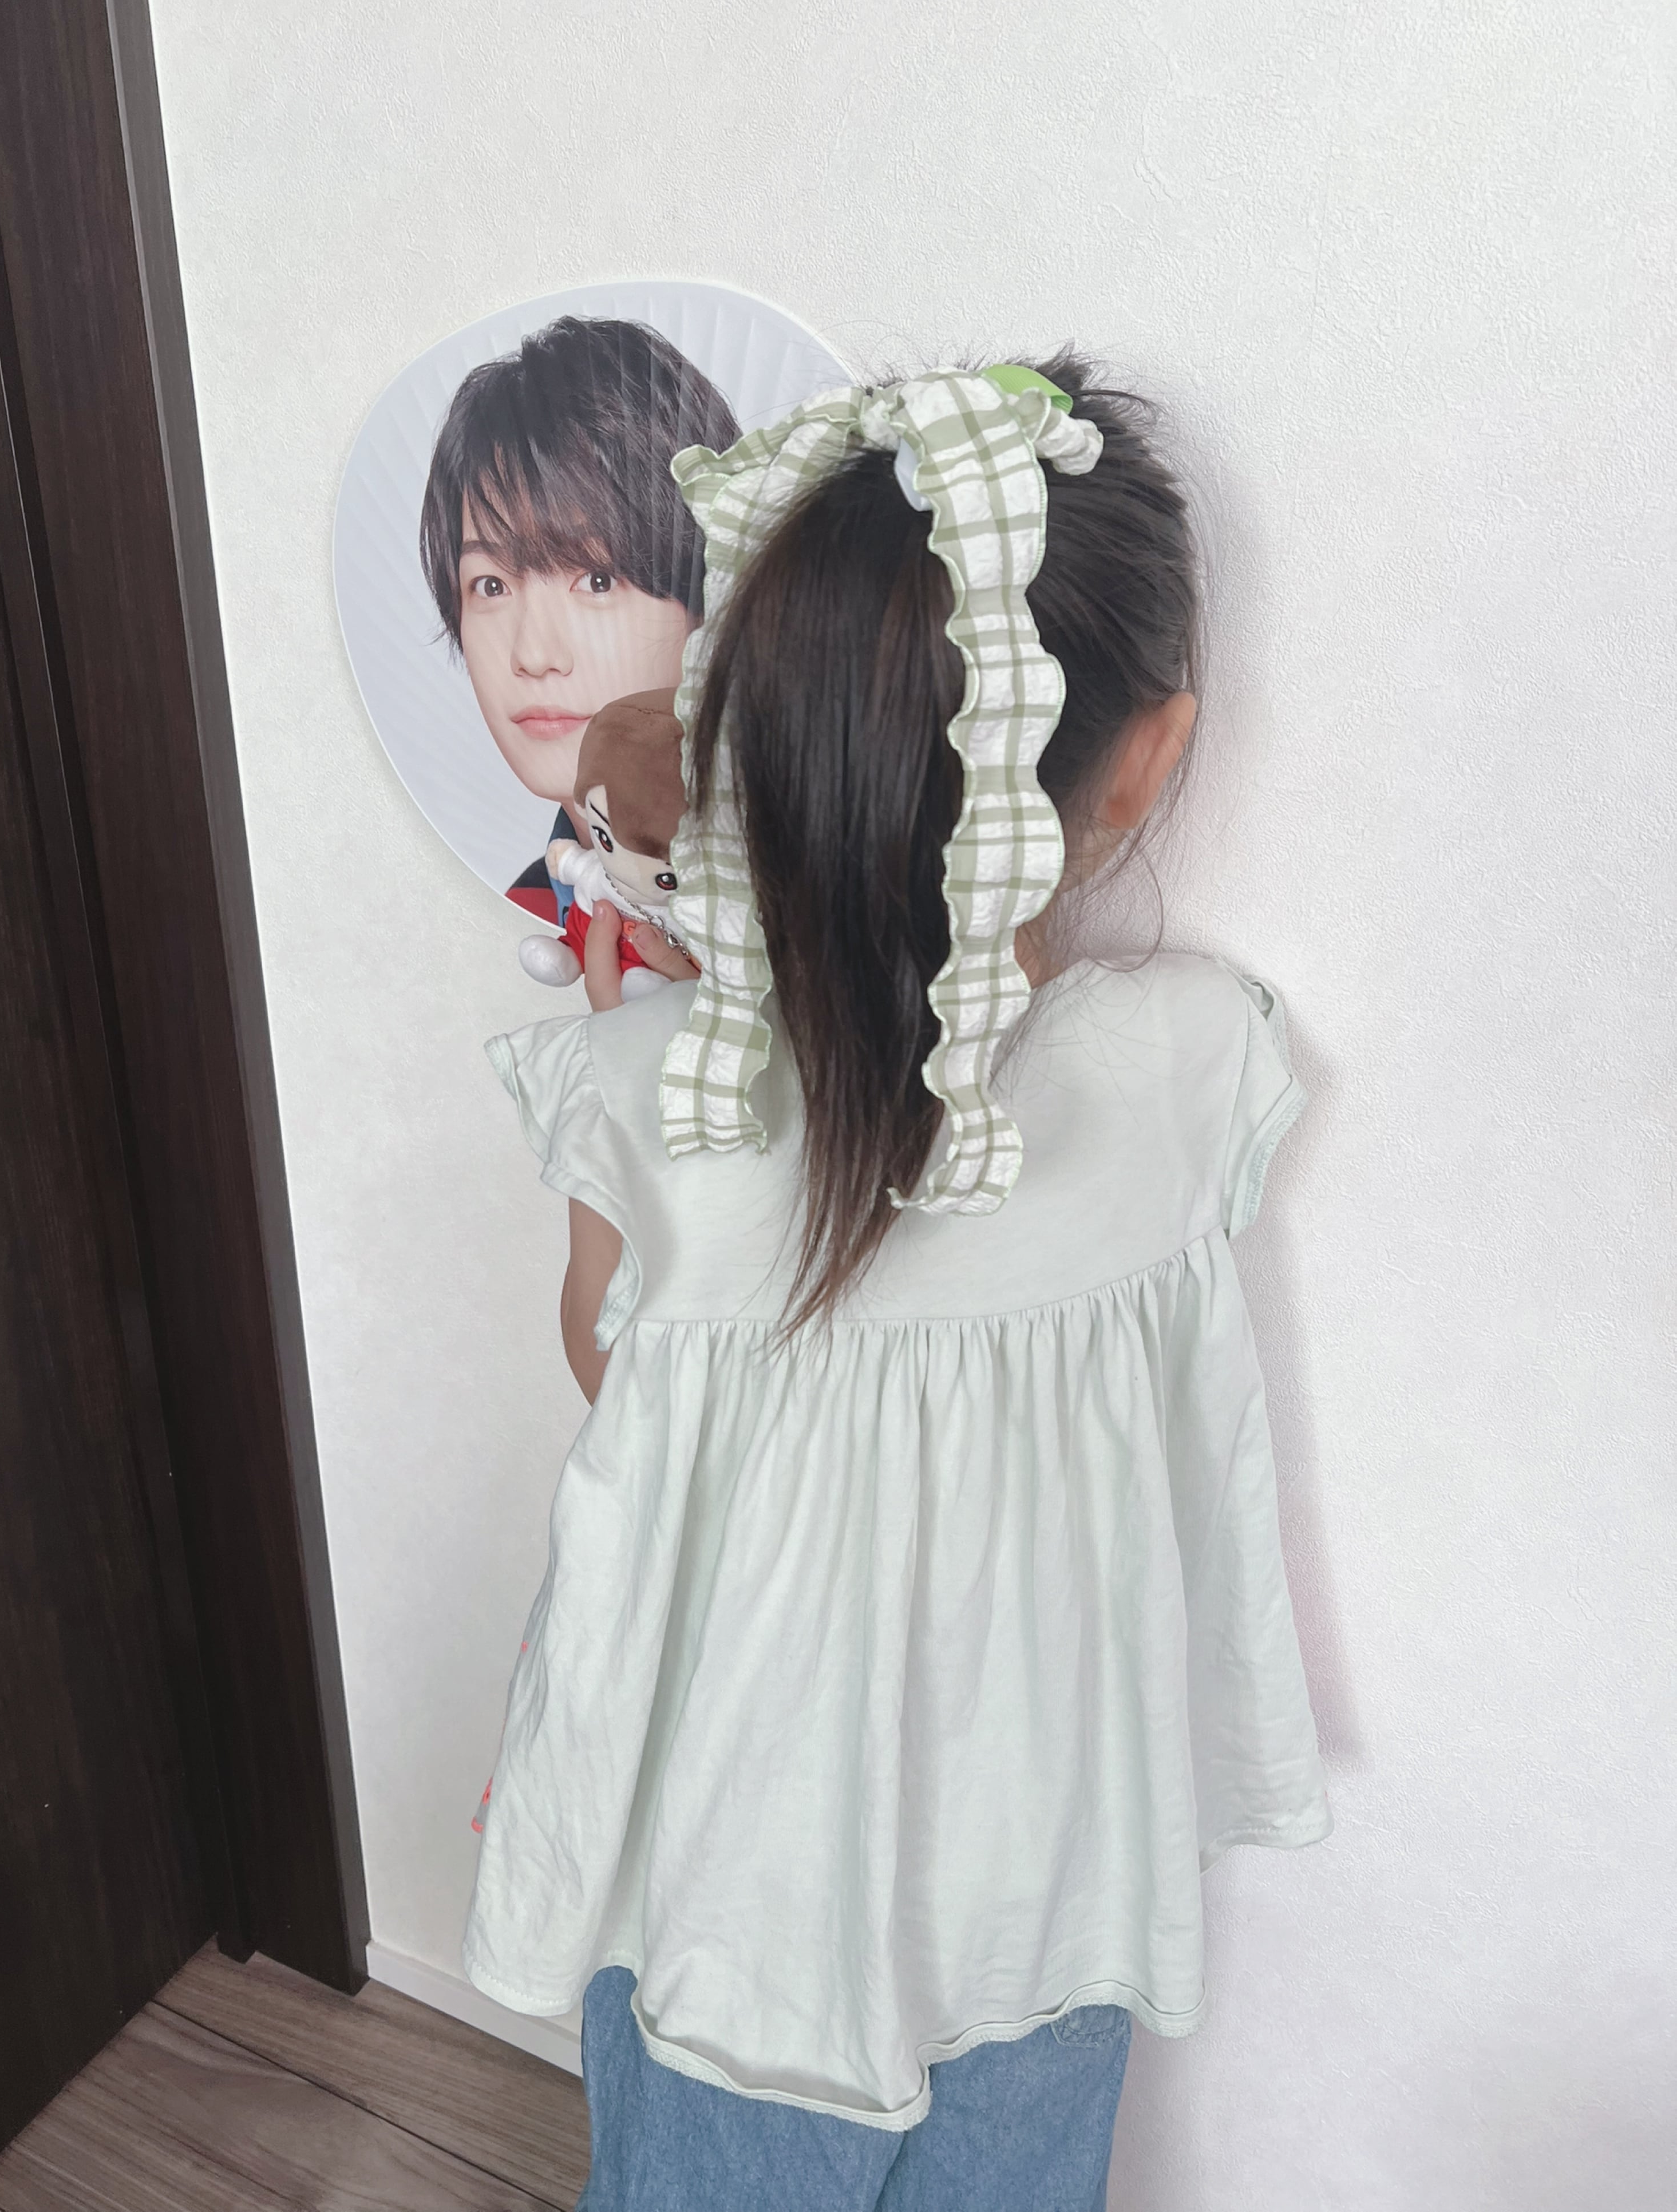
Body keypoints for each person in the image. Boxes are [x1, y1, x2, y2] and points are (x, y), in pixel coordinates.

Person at [468, 358, 1330, 2210]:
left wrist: (650, 968)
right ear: (1146, 758)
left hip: (732, 1912)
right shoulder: (1190, 1067)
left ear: (750, 736)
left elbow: (603, 1360)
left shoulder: (656, 1101)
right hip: (1044, 1886)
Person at [418, 314, 738, 921]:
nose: (534, 655)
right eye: (491, 585)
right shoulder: (532, 907)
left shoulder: (808, 892)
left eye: (597, 579)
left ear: (712, 592)